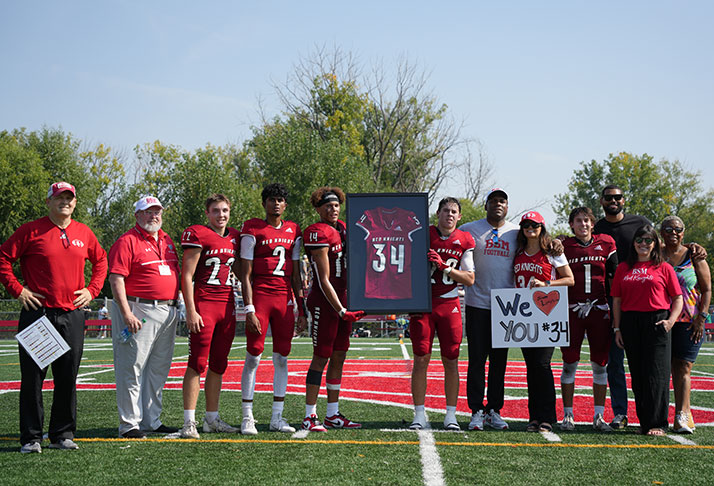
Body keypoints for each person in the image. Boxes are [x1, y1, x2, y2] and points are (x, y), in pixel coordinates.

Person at [0, 182, 107, 453]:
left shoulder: (83, 232)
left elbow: (101, 261)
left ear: (75, 202)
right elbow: (3, 258)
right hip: (38, 314)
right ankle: (31, 437)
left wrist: (92, 289)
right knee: (34, 377)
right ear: (48, 201)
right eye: (59, 197)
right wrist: (18, 290)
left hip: (72, 314)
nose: (65, 202)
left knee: (67, 376)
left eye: (69, 198)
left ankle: (62, 434)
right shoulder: (30, 231)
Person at [108, 196, 180, 439]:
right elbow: (116, 278)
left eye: (157, 211)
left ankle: (152, 419)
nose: (153, 216)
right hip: (140, 309)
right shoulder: (127, 241)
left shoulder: (167, 239)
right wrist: (126, 313)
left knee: (158, 369)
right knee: (132, 367)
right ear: (137, 215)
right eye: (147, 212)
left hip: (168, 310)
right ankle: (129, 424)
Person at [239, 183, 306, 435]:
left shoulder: (293, 230)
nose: (275, 204)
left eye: (280, 200)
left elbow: (296, 272)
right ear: (264, 203)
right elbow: (245, 274)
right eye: (271, 199)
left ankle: (277, 417)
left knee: (282, 357)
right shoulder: (252, 228)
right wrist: (249, 308)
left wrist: (302, 307)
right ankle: (248, 416)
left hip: (284, 300)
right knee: (254, 355)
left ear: (285, 204)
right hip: (261, 298)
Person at [409, 197, 475, 431]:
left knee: (451, 360)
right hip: (423, 304)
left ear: (459, 217)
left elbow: (469, 278)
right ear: (437, 213)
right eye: (445, 210)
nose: (449, 214)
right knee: (421, 359)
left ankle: (451, 415)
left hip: (449, 304)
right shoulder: (423, 234)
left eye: (453, 211)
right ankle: (419, 413)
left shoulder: (464, 240)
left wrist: (445, 267)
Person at [301, 187, 364, 432]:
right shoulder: (317, 232)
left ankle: (332, 413)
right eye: (328, 205)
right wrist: (340, 309)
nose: (333, 209)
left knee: (339, 356)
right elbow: (323, 278)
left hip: (344, 301)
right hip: (326, 303)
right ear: (318, 209)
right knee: (321, 357)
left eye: (336, 205)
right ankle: (310, 414)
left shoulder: (345, 229)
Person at [179, 194, 241, 439]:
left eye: (225, 210)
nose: (221, 215)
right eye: (215, 210)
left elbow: (240, 270)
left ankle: (212, 419)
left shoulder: (235, 237)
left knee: (219, 364)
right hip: (205, 304)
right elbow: (187, 275)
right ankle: (188, 422)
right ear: (207, 213)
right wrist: (191, 309)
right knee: (197, 363)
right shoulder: (198, 234)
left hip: (227, 306)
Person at [612, 225, 683, 436]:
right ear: (633, 243)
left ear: (655, 244)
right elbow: (617, 300)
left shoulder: (664, 267)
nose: (643, 244)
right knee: (639, 374)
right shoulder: (623, 268)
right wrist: (617, 328)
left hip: (657, 321)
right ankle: (645, 422)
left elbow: (677, 298)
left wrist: (671, 321)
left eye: (648, 240)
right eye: (639, 240)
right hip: (630, 322)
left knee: (657, 374)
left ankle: (658, 423)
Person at [593, 185, 651, 430]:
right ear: (602, 201)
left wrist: (689, 248)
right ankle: (620, 412)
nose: (613, 201)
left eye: (617, 197)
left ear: (624, 200)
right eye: (609, 198)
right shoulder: (595, 228)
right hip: (609, 301)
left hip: (638, 299)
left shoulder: (639, 222)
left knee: (644, 362)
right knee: (614, 361)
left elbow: (658, 247)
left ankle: (650, 413)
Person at [459, 188, 516, 431]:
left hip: (506, 306)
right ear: (486, 205)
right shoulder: (469, 229)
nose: (498, 204)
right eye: (493, 201)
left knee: (499, 363)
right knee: (476, 361)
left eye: (502, 201)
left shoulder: (516, 231)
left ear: (507, 205)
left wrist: (556, 243)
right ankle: (476, 410)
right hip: (477, 303)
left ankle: (495, 409)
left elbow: (539, 243)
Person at [513, 211, 573, 432]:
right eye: (526, 224)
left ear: (542, 227)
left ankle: (548, 416)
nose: (531, 228)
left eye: (535, 225)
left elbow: (570, 279)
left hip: (547, 312)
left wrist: (547, 284)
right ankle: (534, 416)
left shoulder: (552, 252)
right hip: (523, 314)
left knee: (543, 364)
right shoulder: (517, 251)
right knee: (531, 367)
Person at [559, 207, 617, 432]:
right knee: (569, 362)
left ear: (593, 224)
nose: (583, 224)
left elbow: (614, 276)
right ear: (571, 224)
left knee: (600, 364)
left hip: (599, 309)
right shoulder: (564, 246)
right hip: (571, 310)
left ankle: (599, 416)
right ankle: (567, 415)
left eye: (586, 220)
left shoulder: (606, 243)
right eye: (578, 221)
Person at [660, 216, 711, 433]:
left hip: (689, 321)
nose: (673, 232)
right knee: (663, 368)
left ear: (684, 232)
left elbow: (707, 289)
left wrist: (702, 317)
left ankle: (682, 414)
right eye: (668, 229)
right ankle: (658, 416)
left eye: (678, 229)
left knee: (684, 367)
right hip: (661, 319)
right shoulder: (656, 254)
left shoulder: (695, 255)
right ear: (661, 232)